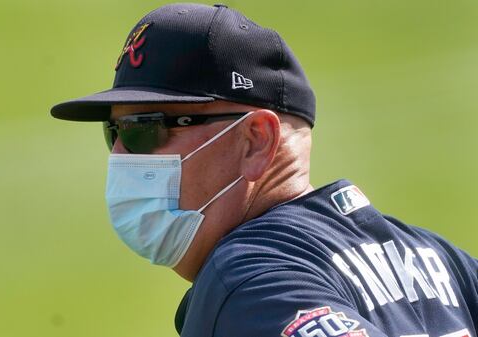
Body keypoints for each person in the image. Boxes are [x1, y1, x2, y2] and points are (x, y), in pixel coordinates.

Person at [50, 3, 478, 337]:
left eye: (145, 129)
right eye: (114, 133)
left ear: (255, 139)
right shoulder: (447, 261)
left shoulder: (250, 282)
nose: (121, 154)